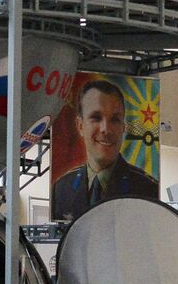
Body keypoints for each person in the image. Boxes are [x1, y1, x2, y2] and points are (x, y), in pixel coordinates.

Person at [51, 79, 159, 221]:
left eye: (115, 119)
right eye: (96, 118)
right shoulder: (61, 189)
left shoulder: (147, 190)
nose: (106, 129)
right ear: (80, 125)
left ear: (123, 127)